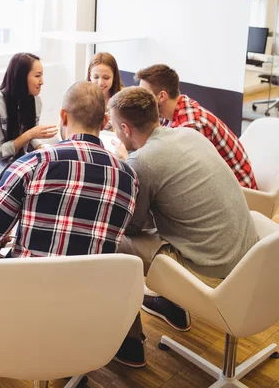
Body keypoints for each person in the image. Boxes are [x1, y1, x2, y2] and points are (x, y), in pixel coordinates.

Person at [0, 82, 143, 367]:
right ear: (104, 121)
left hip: (26, 301)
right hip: (92, 307)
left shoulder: (30, 164)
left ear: (63, 117)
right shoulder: (129, 177)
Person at [109, 86, 258, 333]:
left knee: (110, 238)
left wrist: (125, 167)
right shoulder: (190, 135)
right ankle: (169, 302)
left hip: (209, 270)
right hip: (247, 258)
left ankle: (127, 337)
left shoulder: (142, 161)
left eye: (114, 125)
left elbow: (133, 226)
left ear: (125, 129)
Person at [135, 64, 257, 190]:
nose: (141, 99)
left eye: (145, 94)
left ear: (162, 96)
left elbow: (182, 174)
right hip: (218, 181)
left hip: (238, 191)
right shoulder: (174, 108)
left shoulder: (191, 126)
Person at [0, 52, 58, 182]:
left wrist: (41, 147)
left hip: (14, 165)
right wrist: (30, 134)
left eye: (42, 75)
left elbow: (29, 138)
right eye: (37, 76)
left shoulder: (36, 102)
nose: (42, 81)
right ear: (21, 77)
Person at [87, 52, 124, 130]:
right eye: (96, 77)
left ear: (114, 76)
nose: (100, 83)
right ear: (90, 76)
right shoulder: (81, 96)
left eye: (106, 78)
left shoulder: (125, 98)